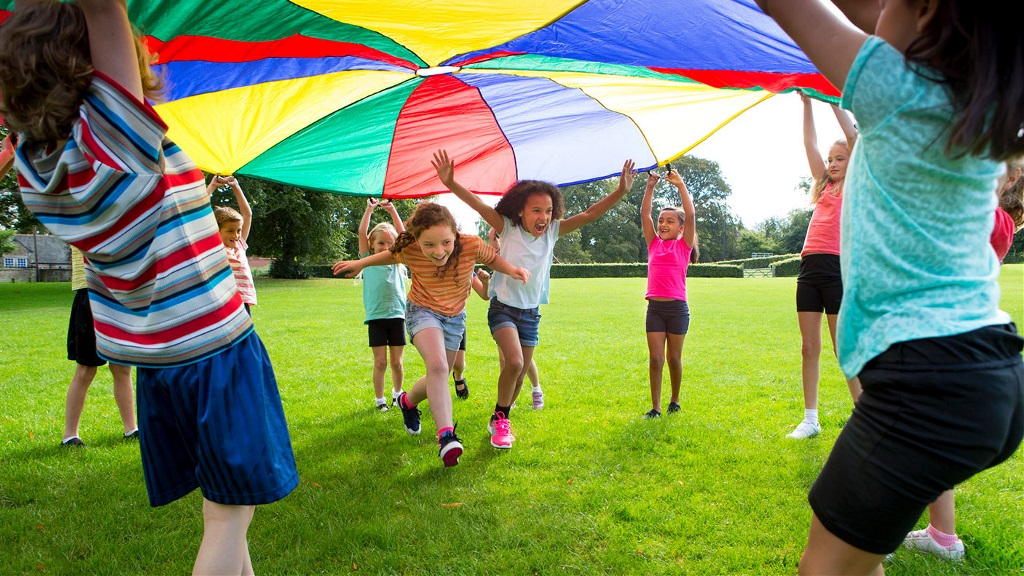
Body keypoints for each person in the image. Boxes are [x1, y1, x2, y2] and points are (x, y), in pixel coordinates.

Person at [0, 3, 299, 574]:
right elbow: (104, 10)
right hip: (215, 351)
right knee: (228, 518)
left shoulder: (38, 172)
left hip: (157, 362)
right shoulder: (119, 148)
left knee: (228, 516)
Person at [753, 1, 1024, 574]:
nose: (875, 18)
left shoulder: (894, 86)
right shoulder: (977, 98)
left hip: (929, 380)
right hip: (991, 372)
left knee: (822, 569)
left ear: (926, 16)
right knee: (855, 557)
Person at [432, 149, 634, 448]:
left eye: (549, 210)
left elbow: (590, 214)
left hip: (531, 312)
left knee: (521, 370)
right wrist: (451, 182)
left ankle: (499, 417)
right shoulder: (508, 227)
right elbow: (476, 204)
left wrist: (619, 192)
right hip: (503, 309)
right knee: (513, 363)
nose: (544, 216)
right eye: (537, 210)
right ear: (521, 212)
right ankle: (502, 418)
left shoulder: (553, 231)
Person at [332, 201, 530, 467]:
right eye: (429, 245)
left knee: (441, 373)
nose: (439, 252)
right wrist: (361, 264)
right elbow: (388, 255)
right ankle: (447, 437)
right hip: (422, 312)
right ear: (417, 240)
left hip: (454, 318)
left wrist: (513, 270)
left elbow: (492, 258)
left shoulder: (470, 244)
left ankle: (407, 402)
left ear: (456, 234)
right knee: (437, 366)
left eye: (446, 242)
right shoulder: (410, 249)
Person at [894, 160, 1024, 563]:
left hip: (944, 339)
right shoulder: (998, 220)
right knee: (928, 439)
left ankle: (875, 537)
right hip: (947, 337)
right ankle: (942, 537)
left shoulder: (991, 219)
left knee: (909, 437)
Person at [787, 93, 863, 439]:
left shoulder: (857, 185)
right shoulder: (822, 188)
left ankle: (864, 414)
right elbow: (808, 142)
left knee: (841, 346)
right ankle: (810, 419)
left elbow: (854, 139)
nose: (832, 163)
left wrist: (832, 99)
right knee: (809, 346)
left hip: (837, 269)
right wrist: (806, 103)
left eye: (840, 159)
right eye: (830, 159)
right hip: (809, 270)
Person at [61, 246, 138, 447]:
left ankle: (131, 429)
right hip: (90, 294)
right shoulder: (79, 220)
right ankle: (70, 435)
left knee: (122, 367)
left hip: (117, 295)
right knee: (86, 369)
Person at [639, 167, 697, 419]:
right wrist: (650, 187)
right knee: (655, 359)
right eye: (661, 220)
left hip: (677, 310)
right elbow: (645, 214)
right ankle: (656, 407)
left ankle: (674, 400)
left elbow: (691, 213)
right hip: (655, 310)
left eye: (670, 221)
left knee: (674, 358)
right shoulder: (653, 244)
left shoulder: (684, 247)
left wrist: (680, 185)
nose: (663, 224)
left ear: (682, 228)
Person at [356, 198, 407, 411]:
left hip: (397, 316)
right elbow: (361, 233)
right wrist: (369, 209)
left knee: (396, 362)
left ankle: (397, 395)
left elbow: (404, 235)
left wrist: (392, 209)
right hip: (376, 317)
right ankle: (380, 400)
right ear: (372, 245)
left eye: (389, 243)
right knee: (380, 362)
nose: (385, 247)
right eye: (380, 243)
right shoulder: (367, 259)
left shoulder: (398, 259)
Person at [488, 228, 545, 411]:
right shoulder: (497, 255)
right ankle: (505, 404)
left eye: (497, 237)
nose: (496, 241)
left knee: (521, 362)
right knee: (509, 360)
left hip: (526, 310)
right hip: (502, 310)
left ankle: (536, 389)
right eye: (493, 238)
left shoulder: (517, 248)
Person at [210, 175, 258, 314]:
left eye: (238, 230)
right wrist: (212, 187)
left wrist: (236, 187)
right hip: (223, 304)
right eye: (230, 231)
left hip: (243, 304)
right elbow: (195, 215)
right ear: (216, 230)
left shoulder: (239, 246)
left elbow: (247, 215)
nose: (236, 235)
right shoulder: (215, 247)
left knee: (245, 336)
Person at [450, 268, 490, 400]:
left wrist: (485, 282)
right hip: (433, 320)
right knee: (440, 364)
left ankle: (458, 376)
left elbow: (485, 295)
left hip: (457, 319)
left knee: (458, 364)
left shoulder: (465, 268)